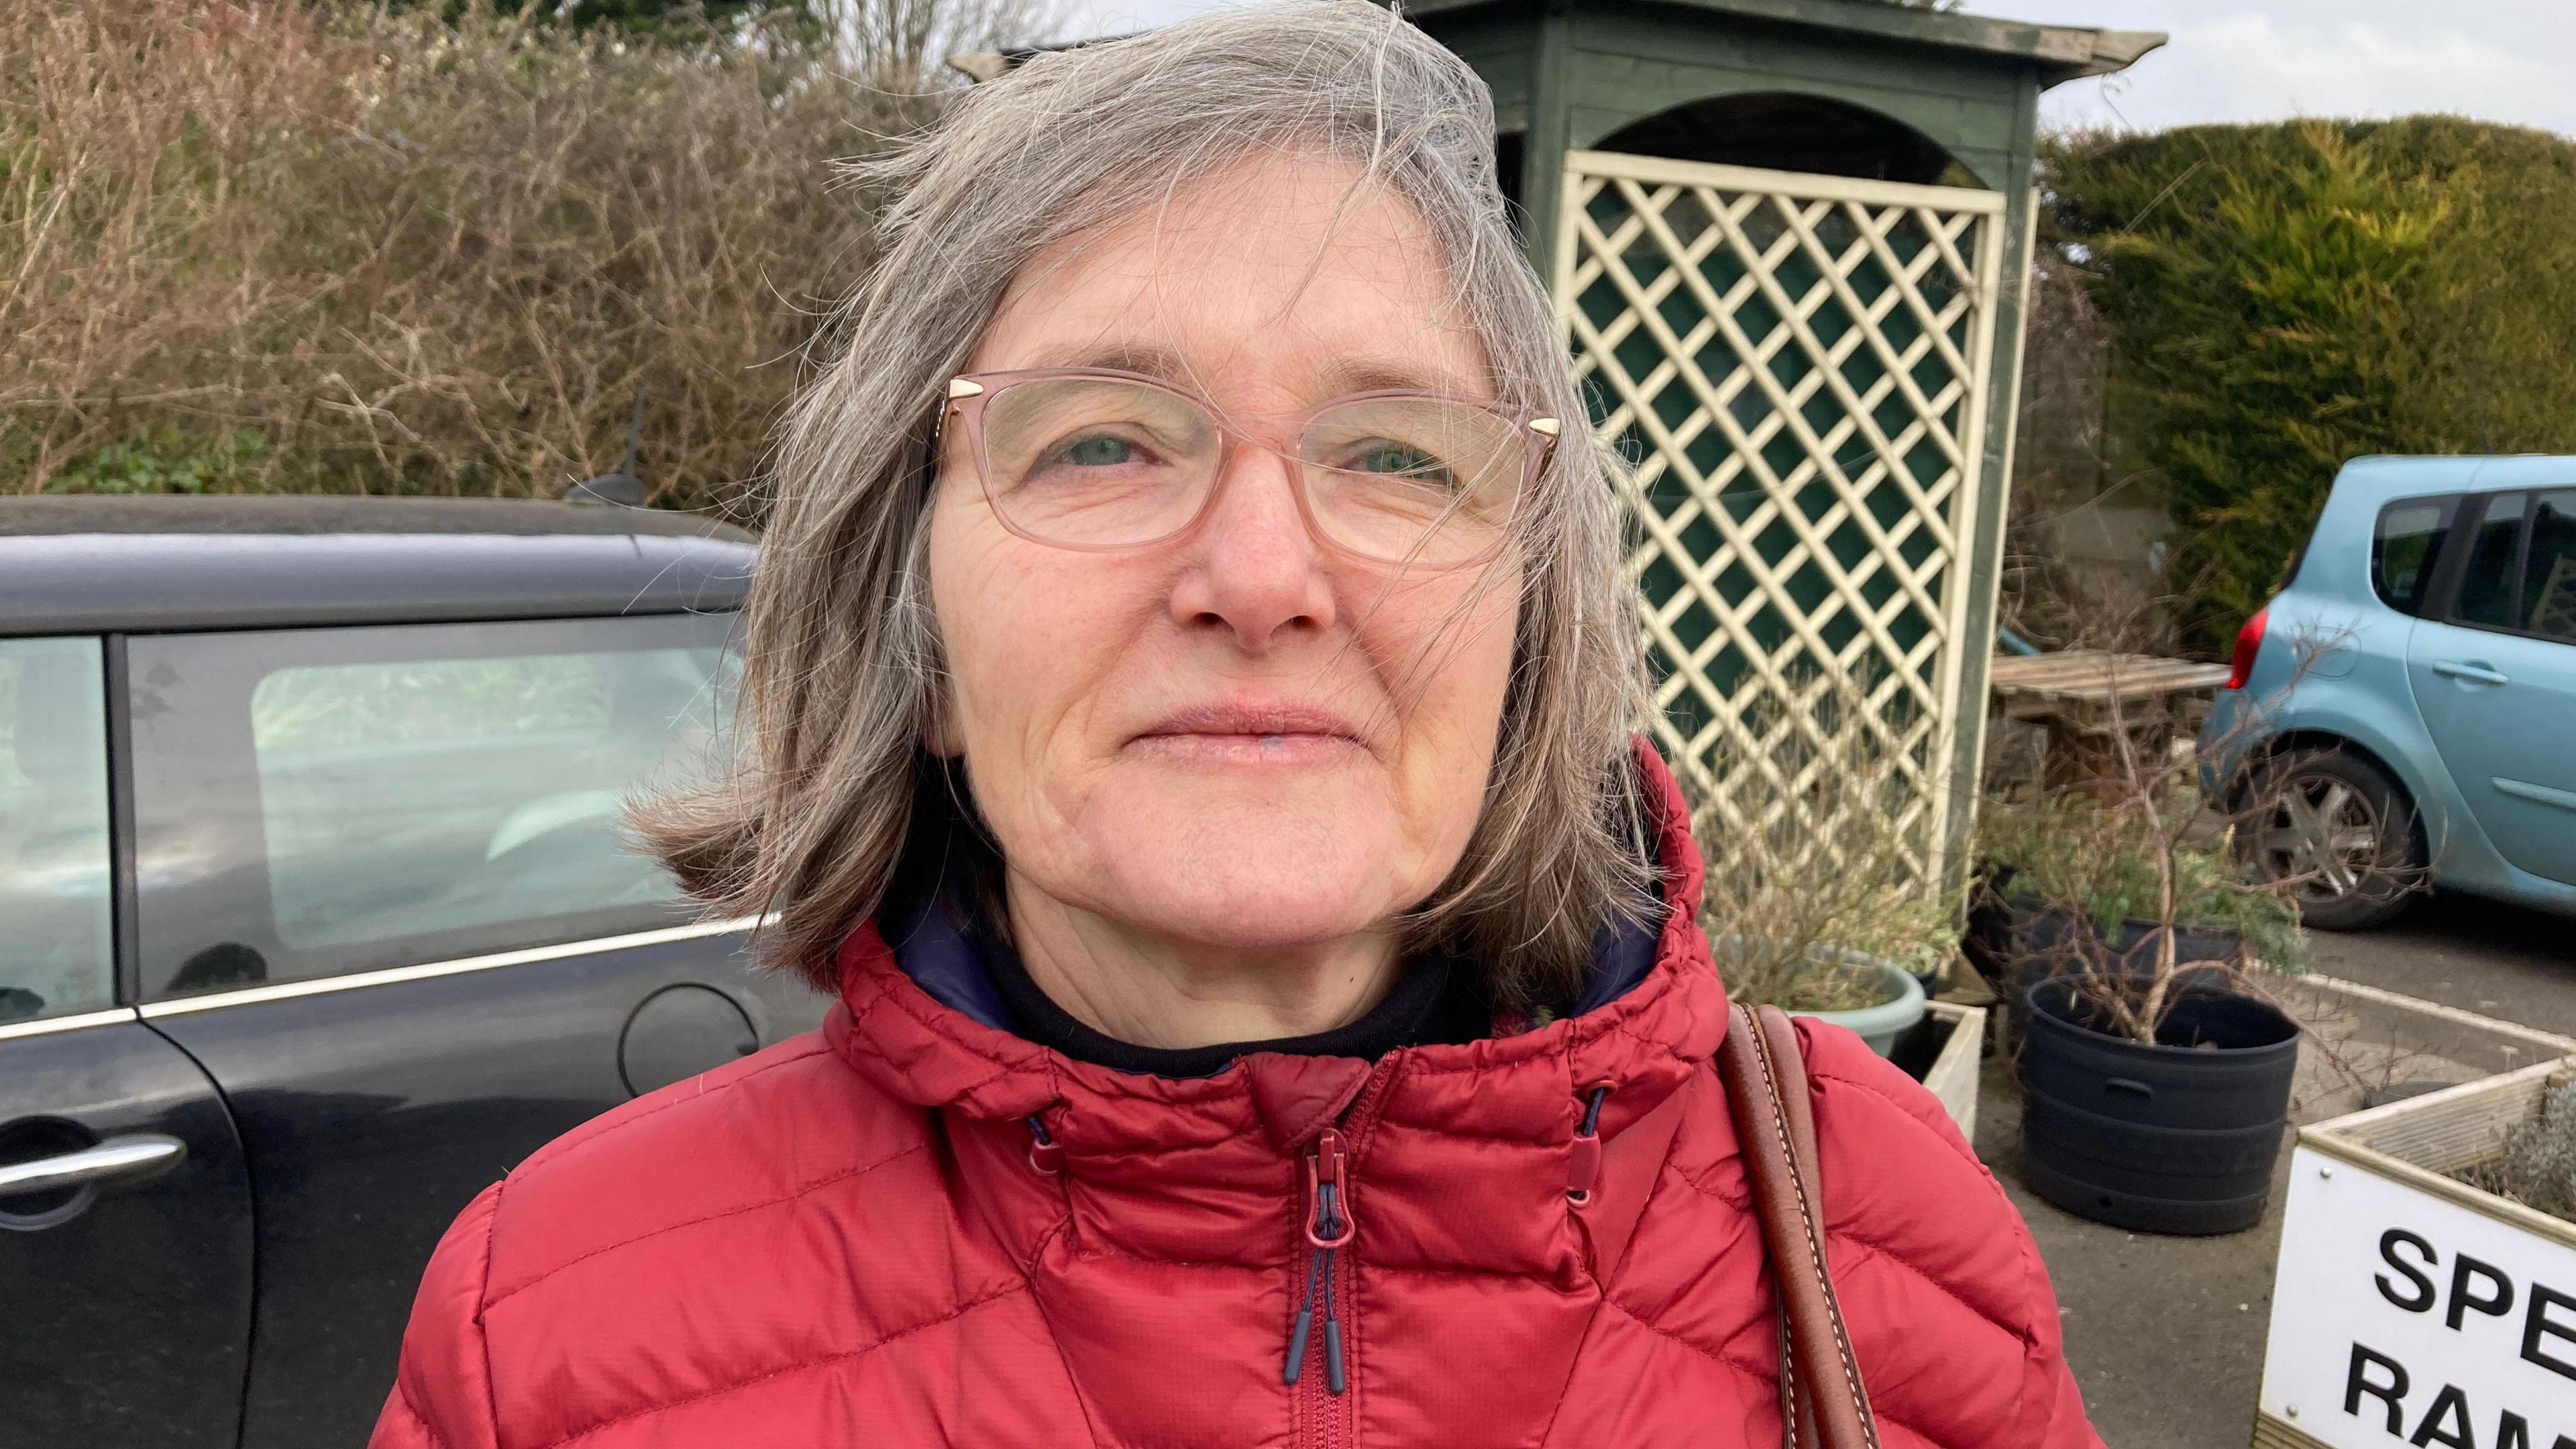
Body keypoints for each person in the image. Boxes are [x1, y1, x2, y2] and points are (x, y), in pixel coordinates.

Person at [370, 6, 2100, 1446]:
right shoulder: (554, 1332)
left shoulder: (1887, 1232)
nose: (1260, 576)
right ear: (918, 632)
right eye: (1104, 440)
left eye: (1400, 453)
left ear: (1533, 627)